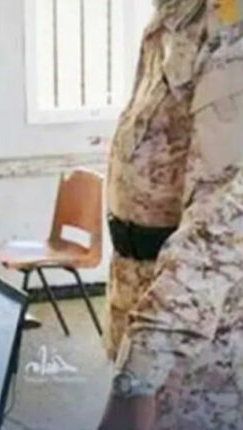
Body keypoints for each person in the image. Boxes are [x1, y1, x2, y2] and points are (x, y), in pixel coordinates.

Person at [100, 3, 243, 428]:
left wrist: (141, 369)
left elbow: (225, 222)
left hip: (199, 344)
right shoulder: (174, 15)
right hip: (141, 299)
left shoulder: (230, 29)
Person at [104, 0, 208, 360]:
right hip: (130, 265)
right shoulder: (163, 21)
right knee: (125, 373)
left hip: (176, 281)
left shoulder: (219, 26)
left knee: (164, 384)